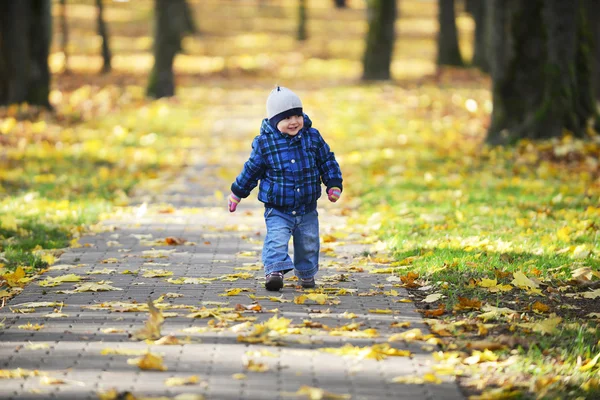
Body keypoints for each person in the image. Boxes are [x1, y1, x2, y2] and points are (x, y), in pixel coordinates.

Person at [228, 86, 343, 291]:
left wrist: (333, 183)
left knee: (308, 243)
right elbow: (251, 170)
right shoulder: (265, 144)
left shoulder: (312, 137)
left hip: (307, 207)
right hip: (277, 208)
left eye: (297, 115)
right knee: (277, 240)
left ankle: (306, 275)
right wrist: (237, 192)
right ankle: (274, 271)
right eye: (287, 118)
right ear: (274, 121)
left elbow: (327, 160)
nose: (294, 122)